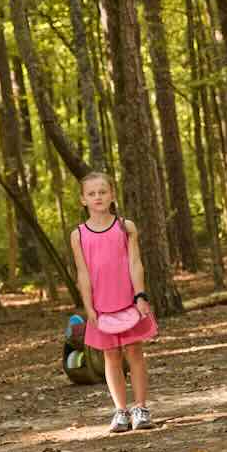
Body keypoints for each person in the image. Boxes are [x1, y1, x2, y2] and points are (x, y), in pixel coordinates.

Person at [69, 172, 158, 433]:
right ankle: (120, 410)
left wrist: (140, 296)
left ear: (112, 195)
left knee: (134, 352)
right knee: (111, 356)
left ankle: (140, 408)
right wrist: (88, 306)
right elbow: (82, 273)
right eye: (92, 193)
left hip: (127, 301)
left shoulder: (125, 227)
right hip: (101, 305)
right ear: (83, 200)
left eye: (102, 192)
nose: (98, 197)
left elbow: (134, 262)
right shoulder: (79, 235)